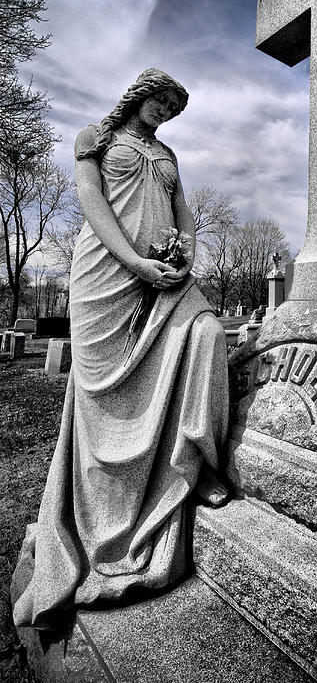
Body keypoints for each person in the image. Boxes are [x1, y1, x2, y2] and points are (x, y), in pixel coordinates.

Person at [12, 69, 229, 630]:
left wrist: (185, 251)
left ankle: (195, 465)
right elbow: (91, 202)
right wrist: (133, 262)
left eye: (172, 110)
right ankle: (97, 522)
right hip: (107, 277)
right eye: (160, 103)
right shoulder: (95, 138)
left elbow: (182, 211)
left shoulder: (168, 154)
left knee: (205, 334)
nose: (164, 114)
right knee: (103, 400)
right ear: (140, 95)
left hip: (167, 271)